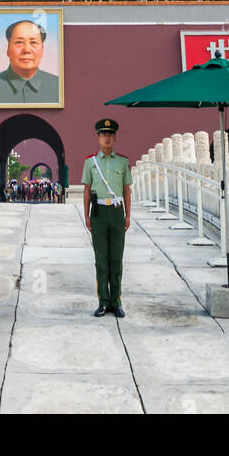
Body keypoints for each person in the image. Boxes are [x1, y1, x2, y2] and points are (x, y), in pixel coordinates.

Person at [82, 117, 132, 318]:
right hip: (99, 213)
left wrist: (128, 215)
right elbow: (87, 190)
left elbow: (126, 190)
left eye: (110, 134)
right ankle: (103, 301)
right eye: (103, 134)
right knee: (101, 259)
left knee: (116, 259)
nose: (107, 138)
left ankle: (116, 302)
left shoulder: (123, 162)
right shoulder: (90, 163)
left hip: (117, 213)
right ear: (98, 137)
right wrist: (86, 215)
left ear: (115, 138)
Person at [0, 19, 61, 104]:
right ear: (8, 49)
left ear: (42, 50)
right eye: (19, 42)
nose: (26, 50)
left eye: (33, 42)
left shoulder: (58, 86)